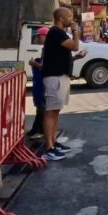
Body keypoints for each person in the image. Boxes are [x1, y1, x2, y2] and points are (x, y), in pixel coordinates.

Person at [40, 8, 85, 161]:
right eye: (69, 16)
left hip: (61, 76)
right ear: (60, 18)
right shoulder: (56, 32)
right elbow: (75, 46)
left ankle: (53, 142)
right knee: (51, 111)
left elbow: (65, 54)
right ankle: (48, 148)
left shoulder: (58, 33)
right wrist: (75, 31)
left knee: (56, 111)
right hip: (55, 77)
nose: (71, 19)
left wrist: (76, 58)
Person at [27, 26, 48, 139]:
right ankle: (37, 128)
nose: (38, 39)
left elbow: (44, 67)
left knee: (42, 106)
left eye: (39, 36)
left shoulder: (48, 49)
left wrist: (33, 63)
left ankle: (43, 130)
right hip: (42, 81)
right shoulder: (46, 48)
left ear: (44, 36)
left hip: (43, 81)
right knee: (40, 106)